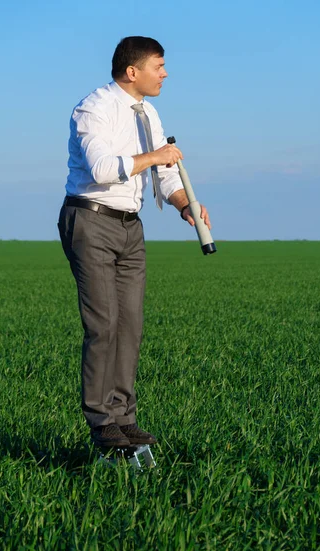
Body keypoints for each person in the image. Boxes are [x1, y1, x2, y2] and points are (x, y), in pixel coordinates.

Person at [58, 36, 211, 448]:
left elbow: (165, 176)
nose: (165, 74)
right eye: (158, 67)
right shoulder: (94, 108)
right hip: (90, 220)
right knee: (103, 324)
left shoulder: (149, 113)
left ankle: (124, 417)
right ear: (133, 72)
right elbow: (104, 168)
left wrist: (184, 205)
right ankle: (101, 421)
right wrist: (155, 157)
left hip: (131, 225)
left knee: (130, 325)